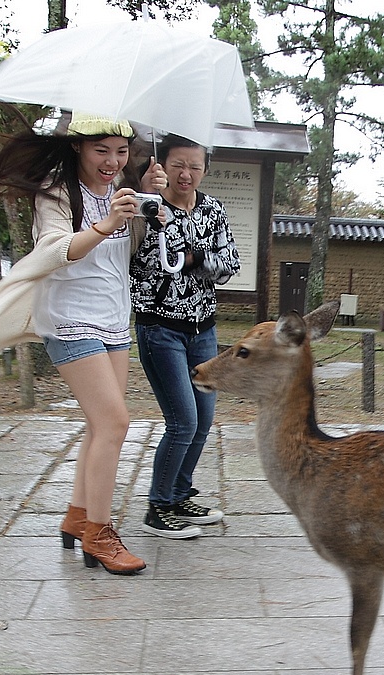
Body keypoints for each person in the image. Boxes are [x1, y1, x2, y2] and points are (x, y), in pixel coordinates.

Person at [0, 112, 166, 574]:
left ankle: (77, 518)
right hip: (70, 319)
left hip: (113, 318)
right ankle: (100, 534)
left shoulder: (123, 190)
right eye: (101, 151)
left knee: (101, 427)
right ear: (77, 147)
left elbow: (134, 249)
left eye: (121, 150)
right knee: (115, 423)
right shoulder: (58, 191)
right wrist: (105, 224)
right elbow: (55, 249)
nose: (113, 161)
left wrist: (151, 197)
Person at [130, 134, 239, 537]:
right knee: (183, 421)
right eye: (178, 164)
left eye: (195, 166)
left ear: (205, 169)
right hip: (160, 329)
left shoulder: (212, 209)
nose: (186, 174)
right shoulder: (148, 208)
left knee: (204, 420)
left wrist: (194, 258)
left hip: (203, 330)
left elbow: (230, 263)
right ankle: (157, 508)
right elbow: (138, 270)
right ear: (163, 165)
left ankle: (177, 493)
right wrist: (151, 217)